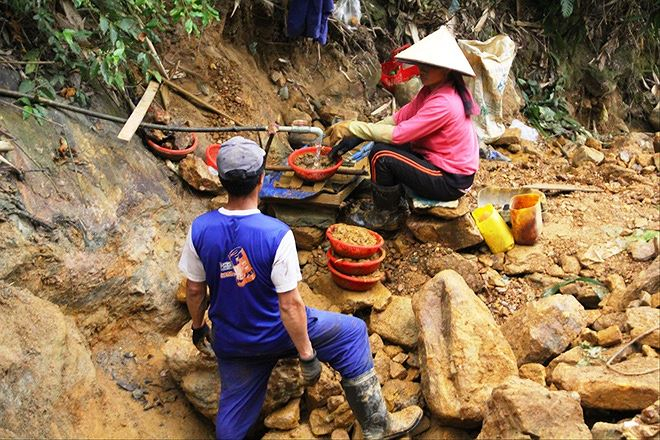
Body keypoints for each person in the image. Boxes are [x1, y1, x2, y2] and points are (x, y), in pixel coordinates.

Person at [178, 136, 422, 439]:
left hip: (232, 340)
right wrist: (307, 356)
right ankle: (377, 425)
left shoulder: (200, 228)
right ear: (262, 180)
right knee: (352, 333)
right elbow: (290, 306)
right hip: (278, 333)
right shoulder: (276, 233)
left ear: (221, 179)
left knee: (234, 412)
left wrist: (199, 328)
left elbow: (194, 291)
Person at [323, 26, 480, 231]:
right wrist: (355, 137)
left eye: (430, 65)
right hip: (436, 161)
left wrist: (353, 127)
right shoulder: (431, 90)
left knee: (381, 155)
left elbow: (399, 135)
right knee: (380, 144)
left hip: (450, 179)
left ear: (447, 69)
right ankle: (395, 200)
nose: (423, 69)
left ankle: (386, 216)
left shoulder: (445, 103)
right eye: (422, 63)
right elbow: (398, 119)